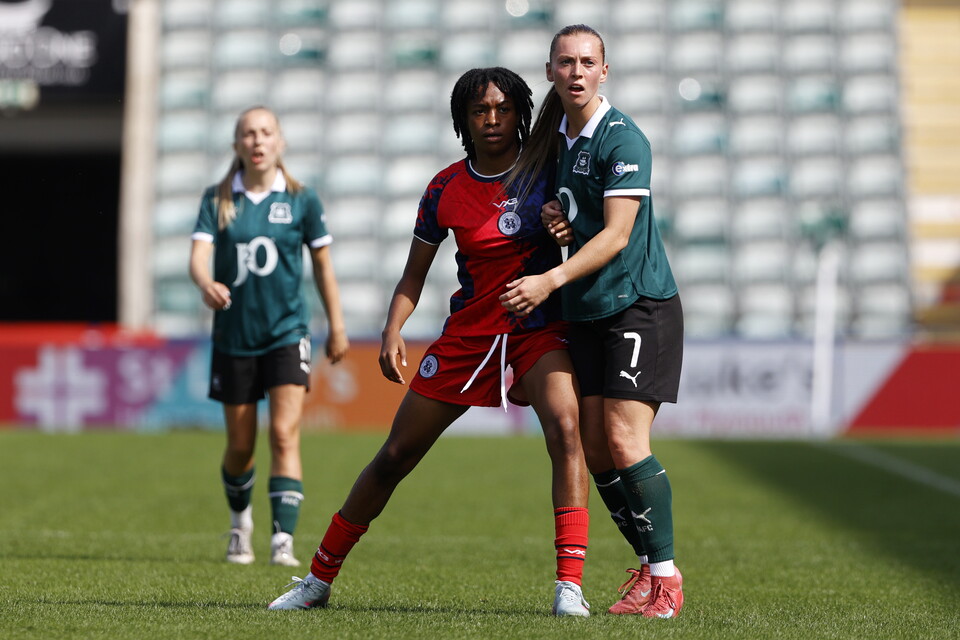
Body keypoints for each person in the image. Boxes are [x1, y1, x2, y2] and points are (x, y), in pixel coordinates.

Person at [267, 67, 591, 616]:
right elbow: (413, 277)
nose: (492, 120)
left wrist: (566, 225)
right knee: (395, 455)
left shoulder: (548, 168)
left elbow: (589, 222)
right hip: (470, 334)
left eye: (503, 109)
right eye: (479, 111)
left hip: (537, 328)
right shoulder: (444, 187)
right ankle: (318, 579)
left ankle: (570, 586)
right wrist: (394, 328)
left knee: (566, 428)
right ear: (462, 120)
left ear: (520, 114)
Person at [499, 25, 685, 618]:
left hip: (638, 304)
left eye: (587, 62)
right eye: (565, 62)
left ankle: (666, 581)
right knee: (598, 452)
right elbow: (576, 218)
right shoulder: (559, 141)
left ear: (605, 70)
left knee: (626, 441)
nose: (576, 72)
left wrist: (549, 279)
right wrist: (559, 218)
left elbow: (618, 233)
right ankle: (649, 569)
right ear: (549, 70)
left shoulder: (622, 138)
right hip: (589, 311)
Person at [189, 106, 349, 568]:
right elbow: (198, 257)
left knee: (284, 434)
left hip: (287, 332)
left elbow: (323, 268)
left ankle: (284, 540)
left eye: (266, 133)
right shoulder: (217, 199)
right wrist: (205, 283)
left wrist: (336, 326)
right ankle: (241, 526)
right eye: (248, 134)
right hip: (234, 337)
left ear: (280, 142)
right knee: (240, 446)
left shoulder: (303, 200)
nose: (257, 141)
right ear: (237, 145)